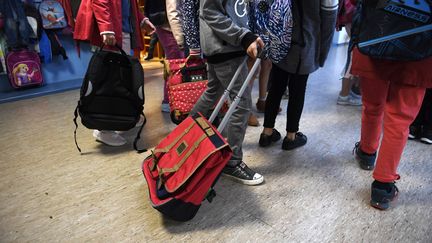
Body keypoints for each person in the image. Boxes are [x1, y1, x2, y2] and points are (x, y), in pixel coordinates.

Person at [189, 0, 265, 185]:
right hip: (226, 47)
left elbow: (235, 10)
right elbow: (210, 12)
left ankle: (187, 134)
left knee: (212, 92)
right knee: (241, 103)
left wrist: (248, 35)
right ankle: (232, 162)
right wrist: (243, 37)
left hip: (225, 45)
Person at [259, 0, 338, 150]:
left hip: (280, 40)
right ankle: (291, 136)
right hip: (305, 45)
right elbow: (329, 21)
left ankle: (267, 132)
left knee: (276, 88)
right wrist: (322, 55)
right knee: (297, 91)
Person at [74, 0, 155, 146]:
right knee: (109, 82)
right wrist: (106, 27)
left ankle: (123, 116)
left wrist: (141, 19)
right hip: (113, 30)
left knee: (122, 80)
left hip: (122, 29)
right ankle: (103, 129)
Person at [145, 0, 184, 113]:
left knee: (173, 64)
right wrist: (180, 39)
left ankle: (172, 101)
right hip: (169, 26)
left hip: (165, 23)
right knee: (175, 65)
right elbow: (173, 11)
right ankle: (170, 102)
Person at [335, 0, 362, 106]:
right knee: (353, 59)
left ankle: (348, 92)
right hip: (356, 15)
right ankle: (344, 95)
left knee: (352, 56)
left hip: (349, 13)